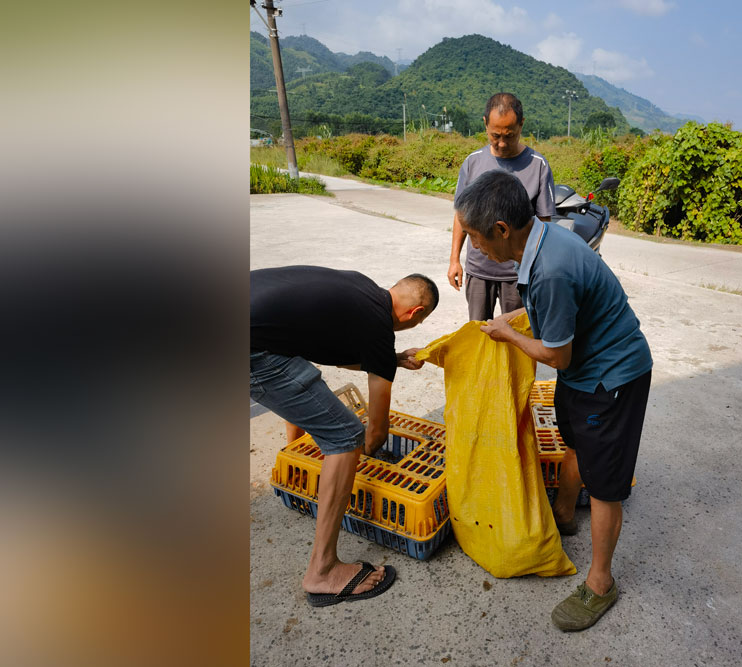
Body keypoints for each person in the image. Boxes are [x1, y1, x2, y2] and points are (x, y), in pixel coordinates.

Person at [454, 170, 653, 631]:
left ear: (501, 229)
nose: (474, 248)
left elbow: (557, 356)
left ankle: (600, 583)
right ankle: (564, 512)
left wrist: (508, 333)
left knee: (604, 487)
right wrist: (513, 319)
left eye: (475, 238)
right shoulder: (542, 239)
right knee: (573, 440)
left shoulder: (551, 269)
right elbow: (554, 315)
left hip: (611, 377)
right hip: (584, 371)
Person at [250, 266, 439, 606]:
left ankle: (296, 450)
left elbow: (337, 354)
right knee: (345, 435)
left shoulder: (360, 288)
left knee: (299, 370)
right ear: (415, 313)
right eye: (419, 322)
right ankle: (322, 571)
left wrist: (391, 360)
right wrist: (362, 458)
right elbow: (376, 432)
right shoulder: (379, 329)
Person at [447, 92, 556, 321]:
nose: (502, 143)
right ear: (485, 124)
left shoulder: (538, 166)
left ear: (521, 124)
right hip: (479, 270)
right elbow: (461, 215)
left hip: (518, 274)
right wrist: (454, 259)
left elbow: (545, 224)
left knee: (517, 333)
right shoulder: (473, 162)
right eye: (495, 136)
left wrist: (538, 270)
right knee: (478, 332)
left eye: (510, 135)